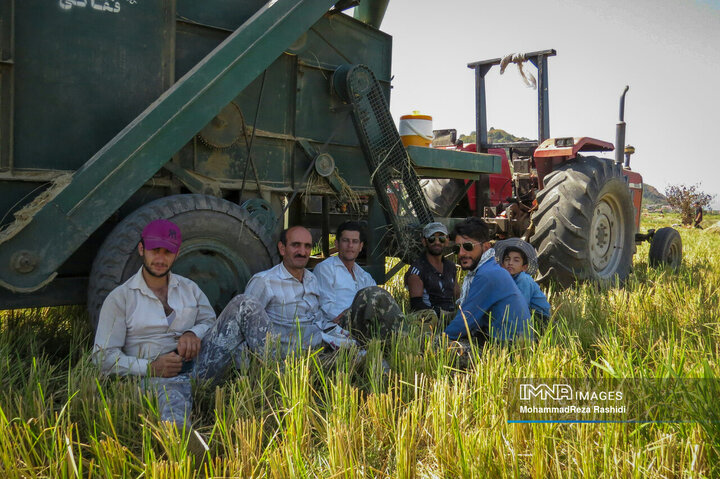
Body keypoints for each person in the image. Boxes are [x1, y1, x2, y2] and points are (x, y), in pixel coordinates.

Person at [93, 219, 269, 428]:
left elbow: (209, 321)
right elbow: (102, 357)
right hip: (154, 377)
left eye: (167, 252)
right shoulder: (120, 298)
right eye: (154, 250)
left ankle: (281, 379)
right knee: (171, 396)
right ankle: (181, 439)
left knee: (245, 303)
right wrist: (150, 368)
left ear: (176, 254)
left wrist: (192, 333)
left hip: (199, 367)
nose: (160, 258)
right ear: (142, 249)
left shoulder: (189, 288)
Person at [243, 225, 404, 351]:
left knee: (373, 362)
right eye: (296, 245)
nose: (302, 251)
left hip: (320, 343)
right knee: (372, 295)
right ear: (282, 248)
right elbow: (245, 325)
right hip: (291, 354)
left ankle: (401, 342)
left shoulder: (311, 279)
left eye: (307, 246)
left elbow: (318, 319)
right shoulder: (264, 282)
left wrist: (340, 336)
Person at [443, 217, 531, 343]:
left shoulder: (487, 275)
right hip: (508, 341)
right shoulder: (490, 269)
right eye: (457, 249)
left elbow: (466, 320)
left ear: (485, 247)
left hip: (508, 347)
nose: (461, 253)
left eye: (468, 246)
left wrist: (439, 339)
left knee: (434, 347)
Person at [313, 221, 377, 324]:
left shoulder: (364, 276)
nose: (350, 245)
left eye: (355, 241)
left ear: (360, 246)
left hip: (366, 323)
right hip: (340, 324)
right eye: (345, 240)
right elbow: (326, 307)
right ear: (337, 244)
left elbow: (376, 301)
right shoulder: (325, 269)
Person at [404, 222, 458, 317]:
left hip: (453, 317)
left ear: (447, 241)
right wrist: (441, 315)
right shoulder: (417, 270)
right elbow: (416, 305)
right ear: (424, 241)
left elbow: (458, 298)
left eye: (441, 238)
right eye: (432, 238)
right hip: (431, 319)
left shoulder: (451, 267)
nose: (437, 242)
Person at [495, 238, 551, 327]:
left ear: (524, 267)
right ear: (502, 264)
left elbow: (520, 307)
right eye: (507, 259)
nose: (510, 263)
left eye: (516, 260)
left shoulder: (524, 279)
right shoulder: (508, 280)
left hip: (539, 318)